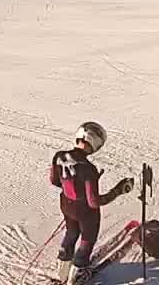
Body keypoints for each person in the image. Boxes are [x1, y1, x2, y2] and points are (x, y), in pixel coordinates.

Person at [49, 121, 134, 283]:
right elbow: (94, 202)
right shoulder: (88, 168)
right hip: (86, 212)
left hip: (67, 205)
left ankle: (62, 271)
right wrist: (118, 190)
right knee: (87, 240)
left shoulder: (59, 156)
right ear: (95, 142)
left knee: (71, 232)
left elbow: (55, 181)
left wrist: (72, 187)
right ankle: (77, 274)